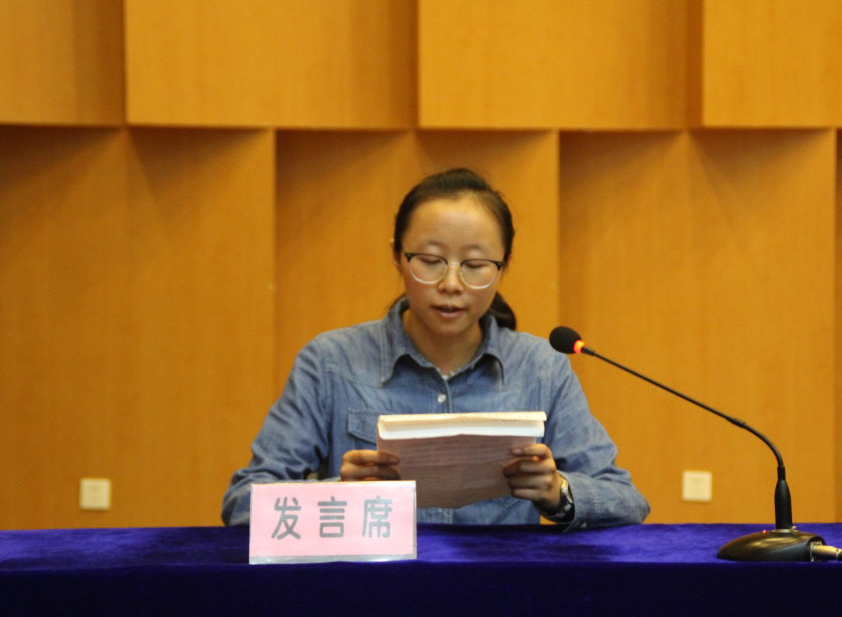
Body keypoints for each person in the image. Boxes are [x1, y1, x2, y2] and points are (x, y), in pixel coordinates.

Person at [221, 168, 650, 529]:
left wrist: (558, 493)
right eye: (430, 261)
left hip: (498, 589)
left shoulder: (540, 368)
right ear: (397, 257)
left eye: (475, 265)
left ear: (503, 267)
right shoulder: (331, 361)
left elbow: (627, 499)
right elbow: (242, 503)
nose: (451, 284)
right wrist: (338, 496)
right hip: (373, 588)